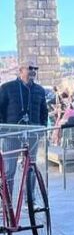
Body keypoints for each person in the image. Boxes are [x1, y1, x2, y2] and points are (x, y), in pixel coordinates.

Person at [0, 62, 49, 191]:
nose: (33, 71)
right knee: (9, 170)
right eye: (30, 68)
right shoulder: (7, 88)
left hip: (32, 134)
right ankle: (6, 203)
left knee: (31, 168)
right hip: (11, 134)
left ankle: (30, 201)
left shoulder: (39, 90)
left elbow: (44, 111)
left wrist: (42, 127)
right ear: (20, 70)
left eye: (35, 68)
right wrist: (3, 129)